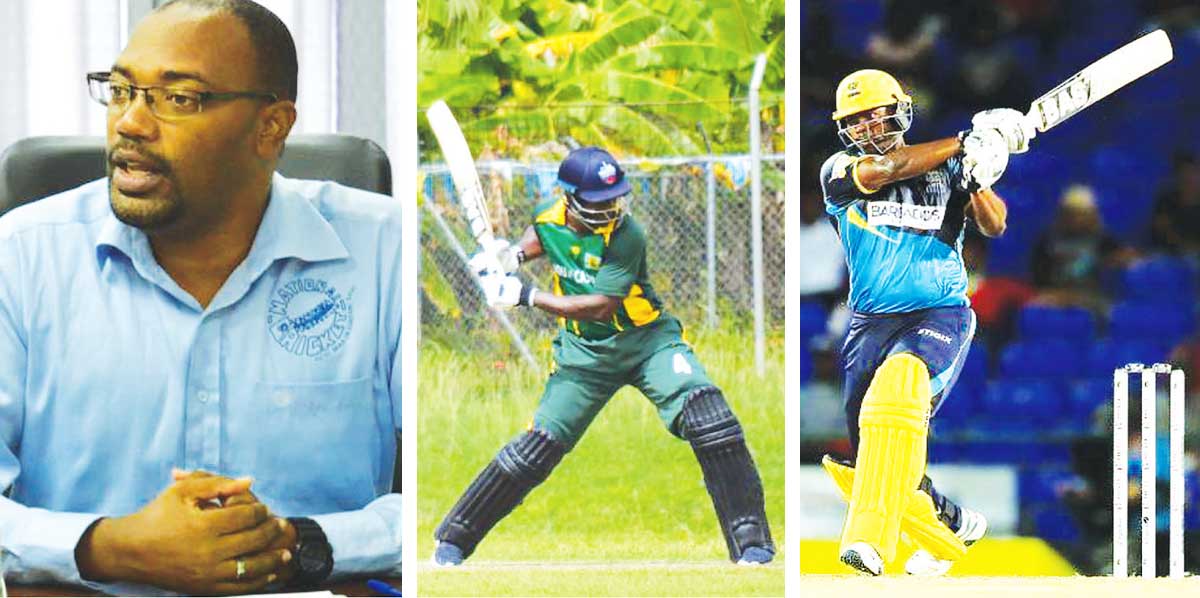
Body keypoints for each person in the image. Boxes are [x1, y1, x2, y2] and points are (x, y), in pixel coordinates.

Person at [0, 1, 400, 594]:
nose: (130, 123)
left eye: (178, 98)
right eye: (119, 90)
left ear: (271, 127)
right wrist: (106, 547)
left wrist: (301, 545)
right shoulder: (19, 256)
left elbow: (436, 497)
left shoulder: (382, 248)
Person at [431, 146, 775, 566]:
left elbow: (602, 305)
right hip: (583, 358)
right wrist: (513, 255)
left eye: (613, 198)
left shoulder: (627, 234)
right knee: (535, 449)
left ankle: (751, 544)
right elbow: (544, 234)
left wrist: (527, 295)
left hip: (647, 343)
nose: (609, 208)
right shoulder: (548, 214)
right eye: (596, 202)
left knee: (710, 417)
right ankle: (453, 542)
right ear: (569, 198)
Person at [817, 68, 1025, 576]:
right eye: (856, 120)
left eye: (875, 114)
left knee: (897, 390)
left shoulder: (950, 171)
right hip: (871, 323)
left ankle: (868, 541)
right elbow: (889, 169)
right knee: (867, 462)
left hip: (939, 311)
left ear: (900, 110)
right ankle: (953, 528)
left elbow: (995, 225)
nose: (867, 127)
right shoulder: (840, 170)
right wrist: (963, 142)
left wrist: (975, 177)